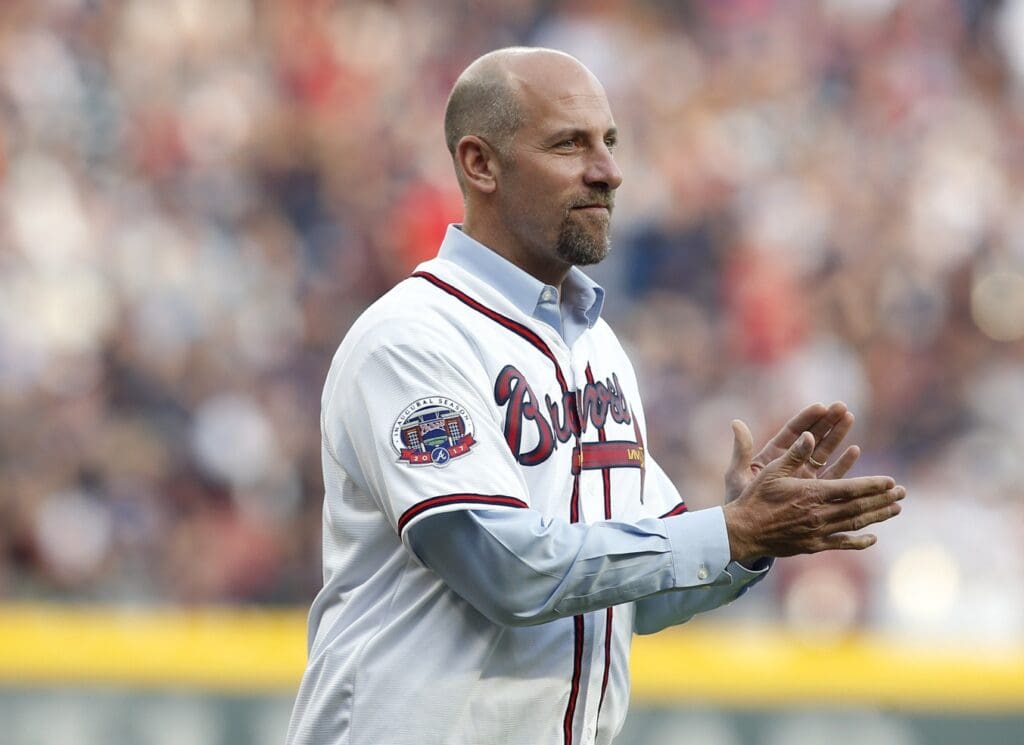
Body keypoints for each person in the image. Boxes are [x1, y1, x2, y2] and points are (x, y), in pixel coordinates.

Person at [285, 47, 904, 745]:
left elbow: (647, 581)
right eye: (568, 143)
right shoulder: (414, 337)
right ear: (480, 163)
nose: (607, 170)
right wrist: (724, 531)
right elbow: (503, 568)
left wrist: (745, 535)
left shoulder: (597, 347)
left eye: (608, 141)